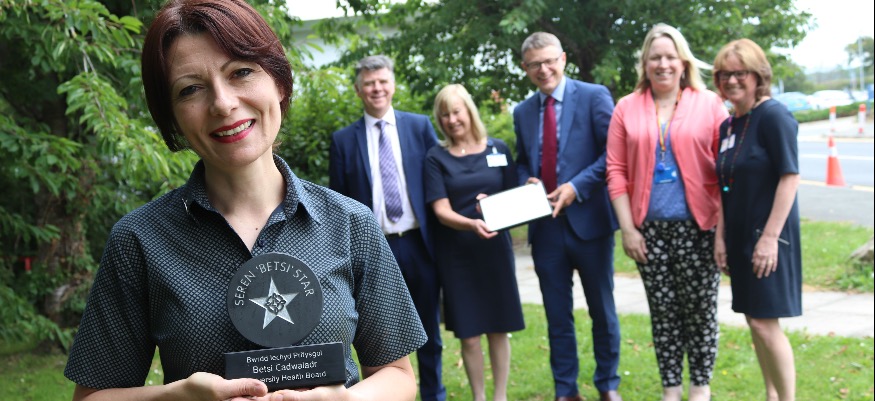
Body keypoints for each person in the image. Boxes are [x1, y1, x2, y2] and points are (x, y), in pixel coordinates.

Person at [63, 1, 426, 400]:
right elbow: (91, 397)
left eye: (240, 72)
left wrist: (345, 399)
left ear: (279, 82)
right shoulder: (139, 241)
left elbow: (397, 374)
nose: (222, 103)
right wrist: (175, 397)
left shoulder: (351, 223)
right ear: (173, 118)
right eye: (190, 89)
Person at [605, 23, 729, 401]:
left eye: (670, 57)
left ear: (683, 62)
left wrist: (723, 232)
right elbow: (616, 170)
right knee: (663, 313)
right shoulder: (626, 107)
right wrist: (628, 229)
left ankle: (700, 387)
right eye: (655, 57)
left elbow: (726, 170)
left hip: (700, 227)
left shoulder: (708, 104)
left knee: (700, 311)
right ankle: (671, 389)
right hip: (649, 231)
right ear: (644, 63)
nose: (663, 64)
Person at [328, 55, 446, 401]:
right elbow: (338, 201)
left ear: (393, 85)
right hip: (374, 250)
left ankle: (434, 394)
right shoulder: (343, 140)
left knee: (428, 329)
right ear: (358, 90)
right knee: (377, 335)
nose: (376, 88)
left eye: (382, 81)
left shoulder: (419, 127)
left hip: (419, 244)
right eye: (369, 83)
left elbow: (439, 179)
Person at [513, 31, 622, 401]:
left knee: (602, 311)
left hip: (590, 223)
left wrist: (576, 186)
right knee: (557, 315)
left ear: (562, 59)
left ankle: (608, 384)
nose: (543, 70)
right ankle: (566, 390)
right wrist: (525, 180)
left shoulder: (594, 96)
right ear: (525, 68)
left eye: (549, 61)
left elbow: (613, 154)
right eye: (534, 65)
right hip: (545, 229)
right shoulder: (522, 111)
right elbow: (522, 162)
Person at [712, 39, 802, 401]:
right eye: (724, 74)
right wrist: (720, 238)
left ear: (758, 75)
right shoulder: (729, 125)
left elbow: (789, 177)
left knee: (765, 324)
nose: (731, 80)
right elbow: (725, 186)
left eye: (740, 73)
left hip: (769, 238)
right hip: (739, 237)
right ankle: (771, 395)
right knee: (753, 320)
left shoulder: (774, 116)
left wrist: (769, 238)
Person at [424, 84, 525, 401]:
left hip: (495, 251)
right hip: (458, 255)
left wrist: (520, 196)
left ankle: (500, 396)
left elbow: (513, 197)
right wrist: (471, 223)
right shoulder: (436, 157)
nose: (452, 119)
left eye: (457, 111)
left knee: (499, 327)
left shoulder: (498, 149)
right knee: (469, 334)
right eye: (445, 114)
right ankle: (479, 397)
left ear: (469, 111)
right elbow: (441, 210)